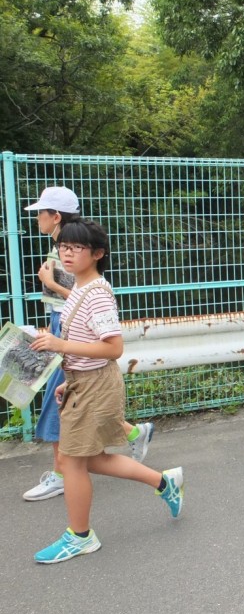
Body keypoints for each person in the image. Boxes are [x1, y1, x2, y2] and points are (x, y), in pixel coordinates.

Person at [28, 220, 184, 563]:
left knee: (71, 461)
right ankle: (164, 483)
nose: (67, 253)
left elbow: (114, 348)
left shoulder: (96, 294)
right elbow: (87, 343)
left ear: (97, 254)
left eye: (77, 248)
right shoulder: (82, 289)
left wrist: (60, 344)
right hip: (85, 383)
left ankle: (80, 536)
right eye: (64, 247)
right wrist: (71, 378)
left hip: (97, 385)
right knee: (91, 460)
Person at [22, 187, 153, 503]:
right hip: (74, 359)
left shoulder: (89, 284)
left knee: (78, 456)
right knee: (83, 456)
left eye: (42, 212)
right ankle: (157, 475)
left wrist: (52, 288)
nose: (68, 252)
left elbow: (110, 343)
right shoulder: (78, 272)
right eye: (65, 247)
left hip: (85, 364)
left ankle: (68, 492)